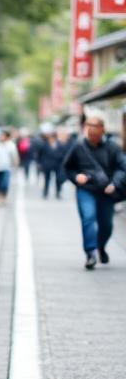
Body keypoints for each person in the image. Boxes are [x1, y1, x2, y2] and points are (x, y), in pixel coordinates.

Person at [62, 115, 126, 269]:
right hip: (86, 190)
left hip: (106, 191)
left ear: (102, 129)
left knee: (106, 226)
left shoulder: (112, 147)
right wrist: (76, 176)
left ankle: (101, 246)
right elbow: (68, 167)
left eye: (94, 126)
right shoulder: (78, 146)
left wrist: (115, 183)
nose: (90, 129)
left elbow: (122, 168)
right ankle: (90, 252)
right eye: (88, 125)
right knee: (88, 217)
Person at [0, 129, 19, 205]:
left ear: (6, 136)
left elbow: (15, 157)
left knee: (5, 184)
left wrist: (16, 165)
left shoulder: (11, 145)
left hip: (7, 168)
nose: (0, 137)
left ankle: (4, 197)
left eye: (2, 135)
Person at [37, 130, 65, 199]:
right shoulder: (44, 144)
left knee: (58, 179)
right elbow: (40, 154)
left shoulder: (60, 144)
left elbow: (63, 154)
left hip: (57, 165)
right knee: (47, 179)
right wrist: (40, 163)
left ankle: (58, 192)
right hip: (47, 165)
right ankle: (45, 192)